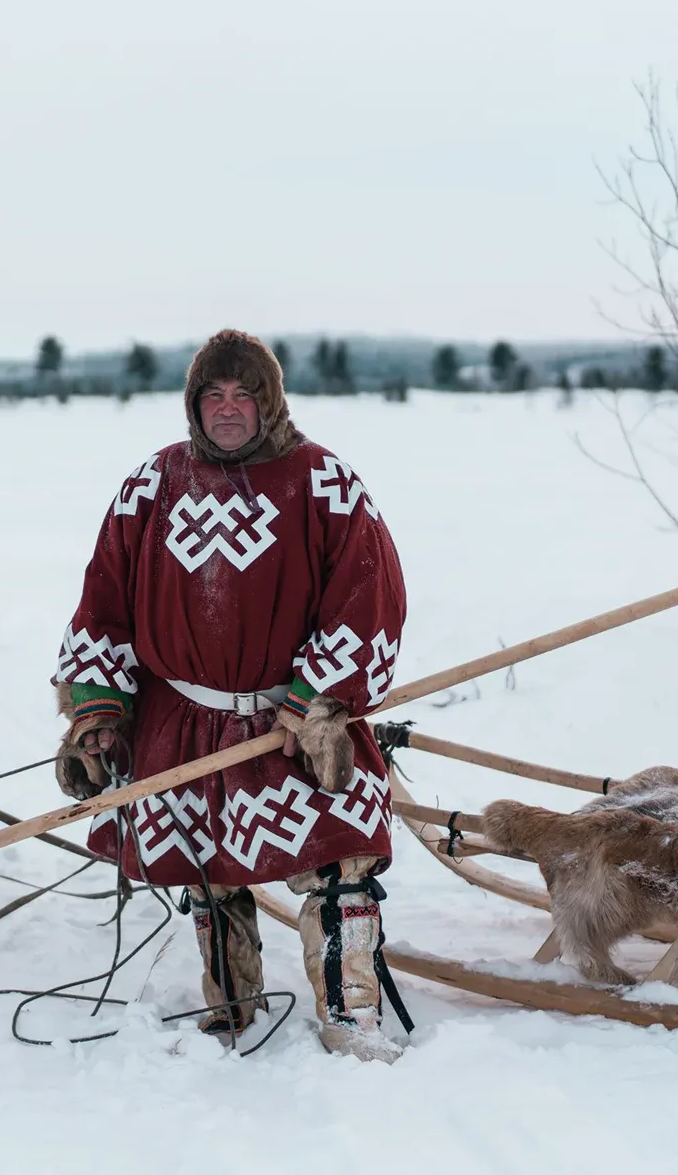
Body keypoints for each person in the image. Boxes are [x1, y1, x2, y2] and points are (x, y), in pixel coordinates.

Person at [52, 329, 410, 1061]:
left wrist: (321, 700)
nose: (227, 408)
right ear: (193, 405)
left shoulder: (323, 482)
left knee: (340, 863)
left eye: (245, 395)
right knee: (207, 873)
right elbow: (103, 600)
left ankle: (351, 1017)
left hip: (292, 723)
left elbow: (368, 597)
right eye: (212, 395)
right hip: (185, 722)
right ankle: (232, 1007)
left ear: (270, 403)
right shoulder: (154, 483)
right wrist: (97, 707)